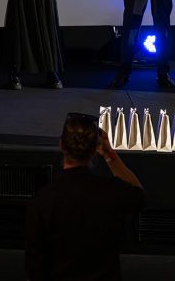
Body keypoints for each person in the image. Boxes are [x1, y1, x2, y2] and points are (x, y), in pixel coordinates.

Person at [25, 113, 144, 281]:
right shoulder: (111, 193)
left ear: (61, 145)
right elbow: (139, 195)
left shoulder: (42, 201)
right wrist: (109, 154)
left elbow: (34, 269)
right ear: (95, 149)